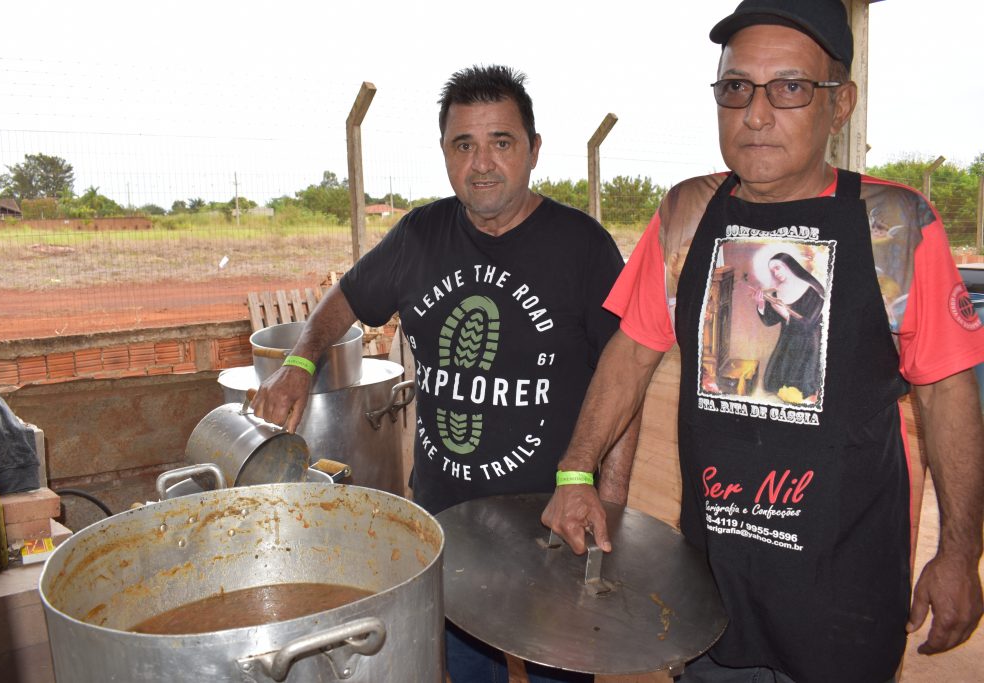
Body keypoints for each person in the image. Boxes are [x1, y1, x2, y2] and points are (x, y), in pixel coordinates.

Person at [542, 2, 984, 682]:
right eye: (735, 87)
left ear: (840, 105)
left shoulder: (895, 226)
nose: (754, 113)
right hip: (715, 588)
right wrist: (576, 470)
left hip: (847, 594)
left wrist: (959, 551)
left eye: (790, 87)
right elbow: (630, 353)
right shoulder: (688, 215)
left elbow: (947, 392)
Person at [252, 64, 639, 683]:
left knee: (556, 672)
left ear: (534, 151)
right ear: (444, 154)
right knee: (461, 670)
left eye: (501, 142)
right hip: (446, 528)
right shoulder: (420, 235)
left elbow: (625, 381)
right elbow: (340, 303)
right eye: (464, 145)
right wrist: (301, 362)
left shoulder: (583, 248)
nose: (482, 163)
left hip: (549, 526)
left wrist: (612, 500)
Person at [750, 252, 825, 398]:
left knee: (800, 388)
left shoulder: (812, 290)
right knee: (774, 384)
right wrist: (761, 305)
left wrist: (786, 315)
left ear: (789, 266)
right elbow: (769, 321)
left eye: (778, 268)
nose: (776, 273)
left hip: (807, 345)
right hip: (787, 341)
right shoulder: (779, 291)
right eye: (773, 271)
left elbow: (809, 325)